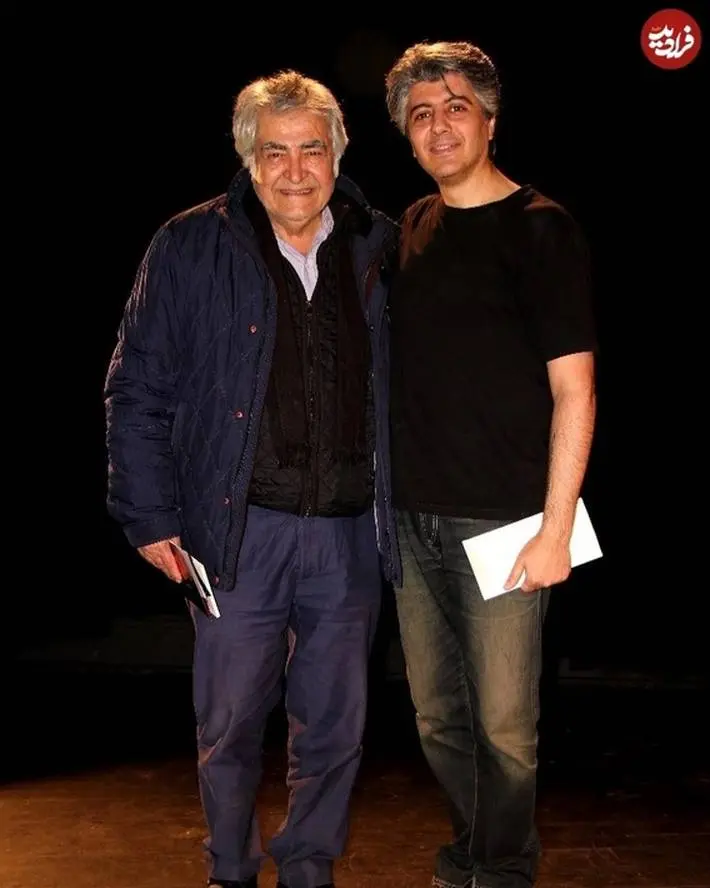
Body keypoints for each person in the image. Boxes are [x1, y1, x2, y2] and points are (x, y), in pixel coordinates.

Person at [104, 69, 400, 888]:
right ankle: (230, 867)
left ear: (338, 155)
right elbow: (136, 386)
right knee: (229, 723)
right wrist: (148, 515)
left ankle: (308, 868)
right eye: (275, 152)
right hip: (236, 533)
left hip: (349, 535)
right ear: (248, 159)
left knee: (335, 728)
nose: (295, 170)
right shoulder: (189, 244)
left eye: (312, 150)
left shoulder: (381, 244)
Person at [383, 41, 598, 888]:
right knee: (437, 719)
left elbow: (575, 390)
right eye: (421, 114)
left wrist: (556, 530)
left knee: (506, 730)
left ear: (490, 119)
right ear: (407, 132)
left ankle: (502, 872)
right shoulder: (412, 226)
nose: (439, 126)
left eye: (456, 107)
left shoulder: (543, 228)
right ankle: (471, 855)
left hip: (506, 523)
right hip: (410, 523)